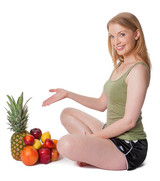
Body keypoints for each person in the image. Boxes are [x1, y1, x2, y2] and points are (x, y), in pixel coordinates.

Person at [42, 12, 151, 170]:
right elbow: (101, 104)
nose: (116, 42)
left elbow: (129, 121)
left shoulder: (138, 70)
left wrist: (94, 138)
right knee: (67, 113)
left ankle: (93, 151)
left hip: (129, 147)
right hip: (111, 134)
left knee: (65, 144)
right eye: (112, 36)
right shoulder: (121, 66)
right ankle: (93, 151)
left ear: (136, 34)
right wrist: (68, 94)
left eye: (121, 34)